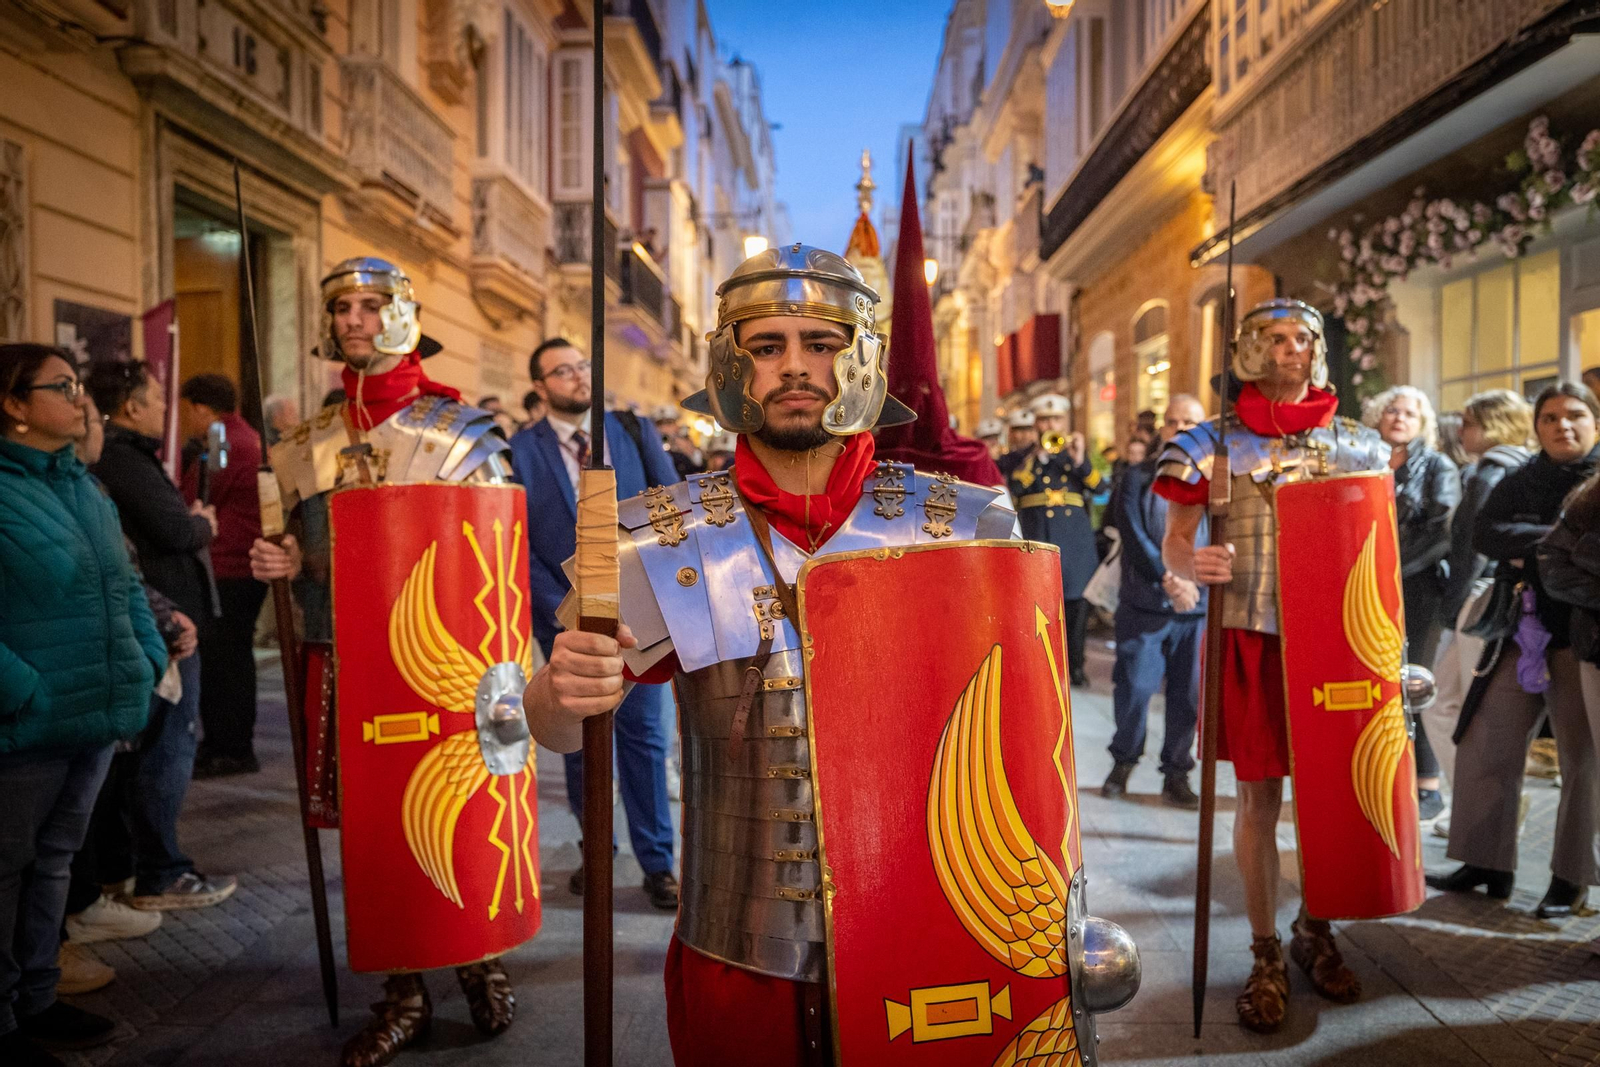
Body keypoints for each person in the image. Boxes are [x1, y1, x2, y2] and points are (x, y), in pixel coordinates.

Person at [520, 244, 1131, 1066]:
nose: (796, 367)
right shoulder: (659, 538)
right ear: (731, 364)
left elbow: (1030, 755)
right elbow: (556, 729)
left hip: (927, 936)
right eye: (766, 346)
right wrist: (563, 688)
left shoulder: (962, 526)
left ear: (864, 355)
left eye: (823, 342)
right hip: (738, 949)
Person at [247, 257, 524, 1066]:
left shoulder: (460, 430)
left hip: (451, 667)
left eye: (371, 305)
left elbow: (493, 561)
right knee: (372, 829)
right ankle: (403, 989)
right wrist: (284, 560)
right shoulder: (304, 443)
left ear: (402, 314)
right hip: (342, 662)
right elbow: (303, 548)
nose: (355, 320)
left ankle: (478, 954)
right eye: (342, 308)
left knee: (465, 810)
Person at [1157, 299, 1390, 1033]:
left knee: (1330, 796)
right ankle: (1264, 950)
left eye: (1303, 339)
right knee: (1259, 800)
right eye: (1277, 339)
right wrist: (1192, 562)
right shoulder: (1209, 445)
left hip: (1334, 640)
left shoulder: (1356, 444)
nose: (1292, 350)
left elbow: (1375, 551)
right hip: (1248, 631)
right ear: (1251, 350)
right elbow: (1175, 537)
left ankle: (1314, 930)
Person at [0, 343, 166, 1066]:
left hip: (96, 711)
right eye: (61, 386)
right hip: (27, 720)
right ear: (13, 404)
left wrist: (145, 658)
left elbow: (123, 583)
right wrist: (20, 690)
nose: (81, 399)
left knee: (55, 863)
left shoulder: (80, 484)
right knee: (5, 869)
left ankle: (37, 997)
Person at [510, 338, 680, 911]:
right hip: (566, 623)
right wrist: (567, 609)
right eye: (562, 371)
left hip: (642, 619)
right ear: (541, 386)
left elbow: (667, 509)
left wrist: (653, 597)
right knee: (581, 741)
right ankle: (597, 852)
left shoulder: (630, 430)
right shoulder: (520, 450)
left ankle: (658, 863)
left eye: (582, 366)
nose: (579, 377)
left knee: (645, 741)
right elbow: (520, 543)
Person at [1431, 382, 1600, 919]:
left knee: (1581, 759)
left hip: (1579, 636)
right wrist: (1555, 543)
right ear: (1536, 427)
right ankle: (1487, 863)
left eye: (1575, 416)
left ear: (1595, 423)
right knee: (1487, 741)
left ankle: (1570, 879)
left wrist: (1540, 547)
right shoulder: (1524, 475)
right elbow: (1487, 533)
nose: (1562, 426)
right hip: (1518, 626)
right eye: (1549, 418)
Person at [85, 361, 236, 913]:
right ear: (130, 407)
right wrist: (203, 524)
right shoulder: (124, 459)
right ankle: (159, 872)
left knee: (140, 752)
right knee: (163, 749)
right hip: (163, 625)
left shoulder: (121, 459)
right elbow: (171, 530)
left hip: (159, 620)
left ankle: (121, 868)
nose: (164, 408)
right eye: (156, 398)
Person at [1421, 391, 1531, 804]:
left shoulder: (1488, 473)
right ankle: (1478, 803)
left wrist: (1452, 608)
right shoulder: (1521, 466)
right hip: (1494, 594)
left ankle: (1490, 805)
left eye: (1468, 422)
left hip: (1481, 598)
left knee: (1465, 706)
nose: (1461, 431)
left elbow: (1472, 547)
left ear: (1493, 425)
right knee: (1443, 703)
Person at [1103, 395, 1206, 808]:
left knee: (1188, 695)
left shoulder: (1216, 476)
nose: (1179, 430)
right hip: (1146, 601)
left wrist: (1192, 581)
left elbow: (1219, 536)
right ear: (1162, 427)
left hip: (1195, 605)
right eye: (1172, 422)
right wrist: (1168, 578)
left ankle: (1176, 773)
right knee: (1134, 688)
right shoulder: (1137, 475)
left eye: (1189, 423)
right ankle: (1123, 762)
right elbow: (1131, 530)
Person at [1366, 385, 1460, 822]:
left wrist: (1390, 572)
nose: (1399, 418)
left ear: (1423, 423)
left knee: (1413, 678)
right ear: (1378, 418)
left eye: (1409, 412)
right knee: (1373, 679)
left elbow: (1441, 531)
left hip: (1418, 586)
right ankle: (1382, 772)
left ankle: (1427, 782)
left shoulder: (1438, 465)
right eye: (1392, 410)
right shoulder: (1364, 459)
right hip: (1366, 585)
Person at [177, 375, 267, 778]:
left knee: (224, 662)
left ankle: (229, 747)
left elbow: (201, 492)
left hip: (229, 564)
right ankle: (227, 743)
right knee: (231, 658)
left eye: (187, 410)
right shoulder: (241, 434)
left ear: (202, 408)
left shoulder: (222, 438)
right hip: (238, 562)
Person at [1008, 393, 1100, 687]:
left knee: (1076, 610)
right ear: (1036, 424)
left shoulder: (1073, 457)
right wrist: (1036, 459)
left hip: (1074, 546)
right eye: (1045, 420)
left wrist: (1080, 459)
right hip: (1037, 541)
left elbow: (1100, 487)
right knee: (1037, 607)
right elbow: (1016, 487)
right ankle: (1039, 664)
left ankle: (1076, 666)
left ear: (1065, 422)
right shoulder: (1023, 459)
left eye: (1056, 419)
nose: (1051, 424)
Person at [997, 408, 1036, 477]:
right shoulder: (1006, 459)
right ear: (1011, 433)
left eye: (1029, 431)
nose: (1026, 435)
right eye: (1021, 431)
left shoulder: (1039, 456)